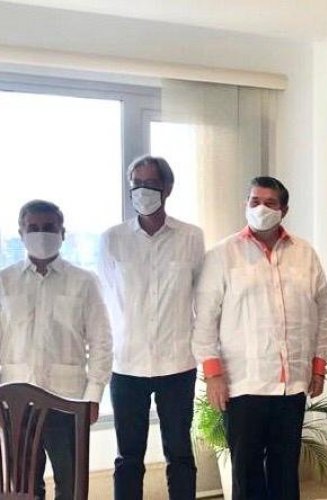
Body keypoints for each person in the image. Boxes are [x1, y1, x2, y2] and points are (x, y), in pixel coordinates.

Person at [192, 176, 327, 500]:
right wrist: (213, 375)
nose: (261, 208)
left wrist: (318, 366)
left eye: (270, 203)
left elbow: (324, 312)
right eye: (254, 201)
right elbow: (204, 321)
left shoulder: (305, 254)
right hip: (244, 385)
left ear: (284, 210)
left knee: (286, 472)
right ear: (245, 204)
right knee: (247, 474)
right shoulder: (223, 255)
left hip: (291, 385)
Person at [98, 155, 205, 500]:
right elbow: (105, 303)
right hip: (127, 365)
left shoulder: (191, 237)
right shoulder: (111, 239)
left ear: (167, 188)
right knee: (128, 457)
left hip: (177, 364)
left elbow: (201, 300)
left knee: (180, 453)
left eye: (151, 184)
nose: (142, 192)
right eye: (137, 185)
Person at [0, 199, 112, 500]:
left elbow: (101, 342)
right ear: (21, 233)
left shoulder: (84, 281)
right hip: (17, 400)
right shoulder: (4, 281)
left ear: (62, 232)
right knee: (24, 487)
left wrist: (93, 397)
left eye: (49, 227)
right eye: (33, 227)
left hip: (67, 401)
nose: (41, 233)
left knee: (71, 484)